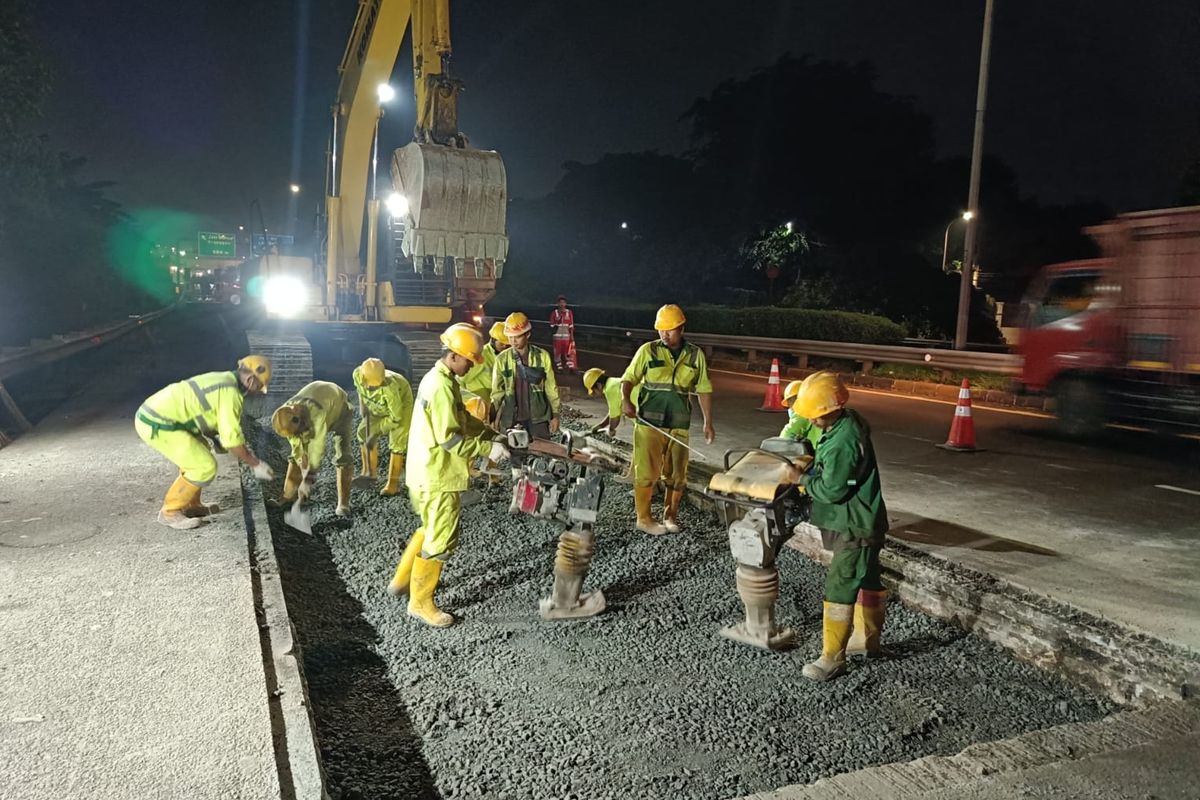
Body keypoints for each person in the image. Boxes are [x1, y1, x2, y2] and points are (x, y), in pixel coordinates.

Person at [386, 323, 509, 627]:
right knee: (441, 540)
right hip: (437, 475)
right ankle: (420, 603)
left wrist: (490, 433)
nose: (471, 364)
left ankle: (402, 581)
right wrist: (487, 450)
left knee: (429, 528)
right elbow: (450, 439)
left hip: (424, 469)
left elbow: (462, 416)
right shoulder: (441, 386)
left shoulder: (441, 378)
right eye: (469, 359)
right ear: (454, 355)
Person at [792, 370, 889, 682]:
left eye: (815, 416)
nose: (813, 421)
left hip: (853, 523)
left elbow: (834, 489)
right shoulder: (848, 421)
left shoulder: (842, 441)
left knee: (840, 584)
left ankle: (833, 657)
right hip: (867, 517)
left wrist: (802, 480)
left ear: (830, 410)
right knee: (870, 578)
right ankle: (868, 641)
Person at [136, 356, 276, 530]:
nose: (257, 392)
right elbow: (232, 439)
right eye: (258, 387)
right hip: (158, 422)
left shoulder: (225, 380)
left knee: (200, 450)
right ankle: (170, 511)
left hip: (163, 416)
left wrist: (216, 436)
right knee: (203, 466)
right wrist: (256, 464)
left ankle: (191, 505)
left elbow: (207, 412)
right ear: (250, 379)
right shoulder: (231, 394)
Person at [621, 304, 714, 535]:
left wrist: (707, 421)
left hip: (679, 424)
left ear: (681, 328)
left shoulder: (695, 355)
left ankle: (670, 516)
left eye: (669, 329)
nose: (664, 334)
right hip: (649, 424)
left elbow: (703, 389)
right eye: (661, 329)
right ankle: (643, 518)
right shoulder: (647, 351)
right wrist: (626, 399)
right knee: (646, 472)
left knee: (677, 475)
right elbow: (629, 378)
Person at [270, 380, 355, 517]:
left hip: (340, 409)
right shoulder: (286, 417)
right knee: (294, 457)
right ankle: (287, 497)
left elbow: (316, 451)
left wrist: (307, 481)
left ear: (298, 415)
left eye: (297, 431)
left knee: (342, 453)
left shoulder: (317, 413)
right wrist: (302, 475)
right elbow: (298, 450)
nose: (296, 435)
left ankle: (343, 504)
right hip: (314, 406)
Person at [492, 311, 560, 439]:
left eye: (517, 336)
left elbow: (551, 388)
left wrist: (555, 415)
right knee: (516, 456)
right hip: (512, 417)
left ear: (527, 334)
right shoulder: (502, 359)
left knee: (542, 453)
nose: (513, 341)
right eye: (510, 337)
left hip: (538, 417)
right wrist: (493, 417)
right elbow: (497, 392)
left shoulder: (542, 356)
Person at [351, 357, 414, 496]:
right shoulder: (357, 374)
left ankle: (392, 485)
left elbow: (396, 418)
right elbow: (361, 392)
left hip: (400, 408)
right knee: (363, 434)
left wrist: (378, 429)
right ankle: (369, 473)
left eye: (375, 385)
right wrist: (364, 410)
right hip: (377, 406)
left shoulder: (390, 390)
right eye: (370, 385)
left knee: (397, 445)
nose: (372, 387)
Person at [459, 321, 509, 422]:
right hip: (478, 410)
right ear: (493, 339)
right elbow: (460, 381)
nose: (505, 346)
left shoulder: (505, 357)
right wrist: (472, 402)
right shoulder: (482, 356)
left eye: (507, 344)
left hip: (495, 408)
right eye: (502, 343)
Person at [582, 367, 627, 436]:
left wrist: (611, 429)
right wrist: (601, 425)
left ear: (599, 385)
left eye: (594, 391)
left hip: (644, 411)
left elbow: (615, 417)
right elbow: (612, 412)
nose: (594, 394)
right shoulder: (612, 382)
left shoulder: (610, 390)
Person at [779, 379, 821, 450]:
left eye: (792, 402)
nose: (791, 408)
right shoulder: (815, 408)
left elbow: (787, 434)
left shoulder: (803, 412)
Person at [548, 295, 576, 372]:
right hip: (557, 337)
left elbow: (571, 325)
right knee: (557, 352)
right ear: (557, 304)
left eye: (563, 302)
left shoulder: (569, 312)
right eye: (560, 302)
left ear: (566, 304)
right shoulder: (554, 313)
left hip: (566, 337)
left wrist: (572, 336)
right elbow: (551, 325)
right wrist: (559, 319)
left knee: (567, 352)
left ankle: (570, 366)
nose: (562, 304)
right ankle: (559, 366)